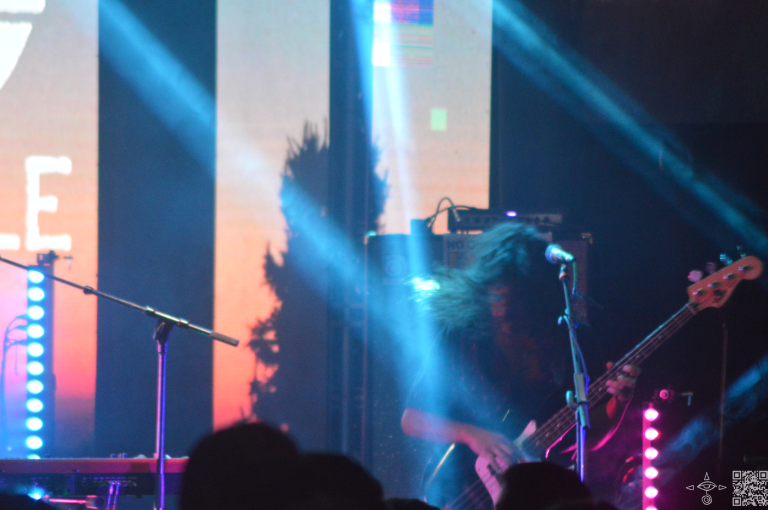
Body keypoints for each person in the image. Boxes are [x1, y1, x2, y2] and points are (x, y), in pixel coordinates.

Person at [400, 223, 639, 509]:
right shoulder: (463, 336)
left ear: (537, 298)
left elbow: (587, 438)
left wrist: (618, 405)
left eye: (516, 302)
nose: (504, 311)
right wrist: (472, 434)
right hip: (461, 490)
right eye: (496, 297)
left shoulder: (573, 339)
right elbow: (412, 420)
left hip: (543, 498)